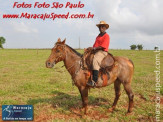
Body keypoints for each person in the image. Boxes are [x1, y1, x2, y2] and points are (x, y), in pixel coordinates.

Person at [87, 21, 110, 87]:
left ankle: (94, 81)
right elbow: (95, 45)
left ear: (105, 28)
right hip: (96, 50)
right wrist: (91, 49)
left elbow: (103, 46)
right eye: (100, 27)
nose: (101, 28)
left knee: (95, 60)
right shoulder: (98, 36)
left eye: (103, 27)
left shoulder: (106, 36)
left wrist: (94, 49)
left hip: (102, 52)